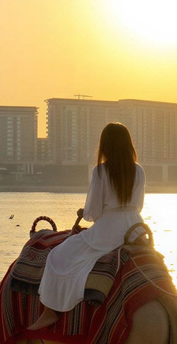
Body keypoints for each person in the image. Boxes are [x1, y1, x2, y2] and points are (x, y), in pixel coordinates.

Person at [28, 122, 147, 330]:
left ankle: (50, 311)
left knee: (58, 256)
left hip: (108, 231)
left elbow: (93, 213)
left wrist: (86, 213)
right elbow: (138, 205)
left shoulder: (100, 171)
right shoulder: (138, 171)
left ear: (106, 145)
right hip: (135, 228)